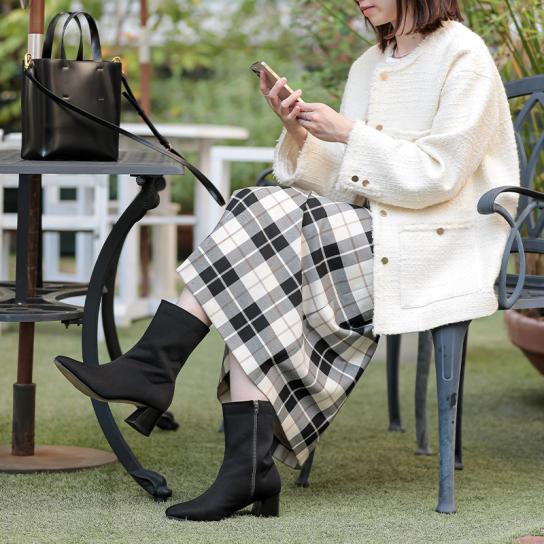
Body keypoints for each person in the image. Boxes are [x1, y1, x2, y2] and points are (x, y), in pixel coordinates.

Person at [52, 0, 520, 522]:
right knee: (259, 241)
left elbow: (440, 174)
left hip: (437, 241)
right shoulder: (369, 64)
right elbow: (345, 187)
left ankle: (156, 370)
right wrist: (300, 133)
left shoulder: (463, 54)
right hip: (366, 233)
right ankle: (240, 462)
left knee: (257, 216)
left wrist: (349, 132)